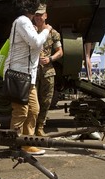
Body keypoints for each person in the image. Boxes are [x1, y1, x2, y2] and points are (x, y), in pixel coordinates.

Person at [3, 0, 52, 155]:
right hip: (18, 74)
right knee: (21, 112)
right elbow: (35, 42)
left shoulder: (26, 23)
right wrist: (46, 30)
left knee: (33, 110)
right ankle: (15, 143)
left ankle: (27, 142)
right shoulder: (22, 21)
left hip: (27, 76)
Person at [34, 3, 63, 136]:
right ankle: (31, 126)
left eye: (40, 15)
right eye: (36, 15)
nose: (38, 17)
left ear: (45, 16)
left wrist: (50, 59)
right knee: (32, 101)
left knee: (45, 100)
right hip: (33, 71)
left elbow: (60, 52)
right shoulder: (30, 30)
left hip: (47, 72)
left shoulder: (53, 33)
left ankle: (40, 126)